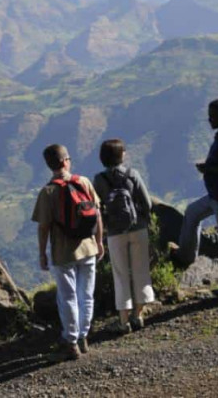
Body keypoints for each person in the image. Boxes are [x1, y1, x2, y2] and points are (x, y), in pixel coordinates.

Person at [32, 144, 105, 361]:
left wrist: (42, 253)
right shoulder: (84, 182)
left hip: (63, 253)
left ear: (49, 165)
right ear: (66, 161)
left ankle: (70, 341)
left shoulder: (47, 192)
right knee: (86, 295)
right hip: (88, 247)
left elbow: (43, 226)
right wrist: (99, 242)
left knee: (68, 297)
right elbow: (97, 214)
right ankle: (83, 337)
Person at [173, 99, 218, 300]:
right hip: (217, 195)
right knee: (192, 212)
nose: (209, 119)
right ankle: (185, 256)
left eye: (212, 116)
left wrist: (208, 169)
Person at [93, 139, 154, 334]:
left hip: (115, 232)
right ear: (122, 155)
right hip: (138, 229)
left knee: (120, 274)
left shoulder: (99, 179)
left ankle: (123, 321)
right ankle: (138, 315)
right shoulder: (132, 174)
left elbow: (97, 208)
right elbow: (147, 203)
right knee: (141, 270)